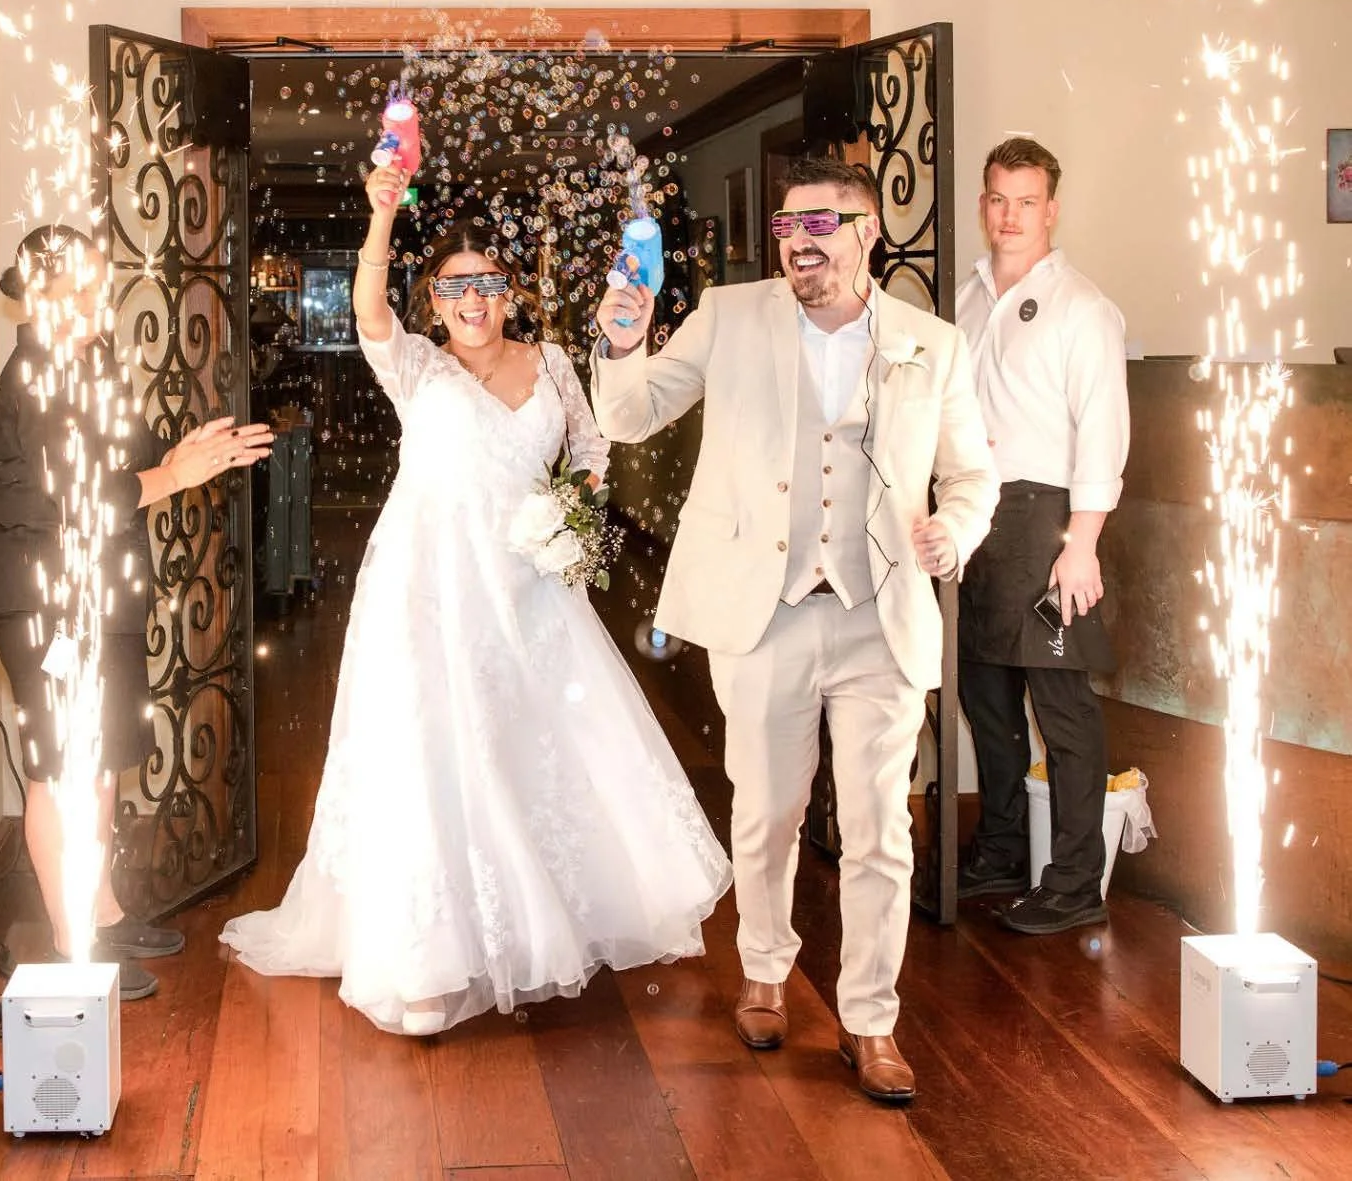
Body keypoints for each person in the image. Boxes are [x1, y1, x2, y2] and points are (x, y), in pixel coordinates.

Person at [220, 161, 730, 1037]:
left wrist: (573, 513)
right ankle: (424, 954)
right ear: (434, 300)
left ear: (509, 292)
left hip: (529, 589)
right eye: (456, 285)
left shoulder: (557, 364)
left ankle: (548, 919)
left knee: (533, 741)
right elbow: (366, 308)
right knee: (431, 749)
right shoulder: (415, 367)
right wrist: (381, 212)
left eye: (489, 283)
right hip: (427, 585)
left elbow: (590, 452)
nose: (474, 298)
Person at [592, 155, 998, 1104]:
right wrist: (622, 340)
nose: (800, 241)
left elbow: (974, 472)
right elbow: (633, 413)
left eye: (821, 223)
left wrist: (956, 528)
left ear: (869, 231)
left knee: (880, 829)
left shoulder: (931, 342)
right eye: (786, 225)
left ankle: (871, 1020)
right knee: (767, 810)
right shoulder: (732, 316)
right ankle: (766, 970)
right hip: (762, 609)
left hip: (878, 612)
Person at [0, 224, 274, 999]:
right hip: (45, 599)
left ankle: (105, 911)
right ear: (38, 293)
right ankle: (75, 942)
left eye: (92, 287)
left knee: (103, 760)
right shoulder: (36, 376)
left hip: (98, 592)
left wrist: (186, 451)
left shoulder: (93, 364)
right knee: (65, 768)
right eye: (75, 289)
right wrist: (174, 474)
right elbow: (78, 500)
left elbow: (134, 464)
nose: (91, 303)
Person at [954, 137, 1129, 934]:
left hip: (1050, 521)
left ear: (1051, 209)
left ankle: (1075, 878)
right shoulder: (968, 295)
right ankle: (997, 849)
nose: (1009, 214)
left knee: (1059, 705)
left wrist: (1082, 541)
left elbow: (1102, 430)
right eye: (997, 198)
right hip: (976, 514)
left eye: (1026, 200)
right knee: (984, 695)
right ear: (983, 204)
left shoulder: (1084, 308)